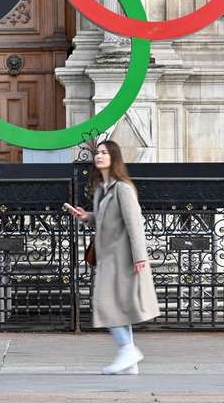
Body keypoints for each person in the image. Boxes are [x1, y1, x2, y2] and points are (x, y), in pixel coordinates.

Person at [66, 140, 159, 375]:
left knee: (107, 305)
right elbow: (104, 218)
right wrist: (86, 215)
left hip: (122, 256)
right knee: (119, 306)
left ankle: (128, 349)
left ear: (114, 157)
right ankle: (130, 360)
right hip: (108, 255)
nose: (99, 156)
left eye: (104, 152)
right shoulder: (102, 189)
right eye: (97, 152)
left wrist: (139, 257)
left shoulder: (122, 188)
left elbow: (134, 224)